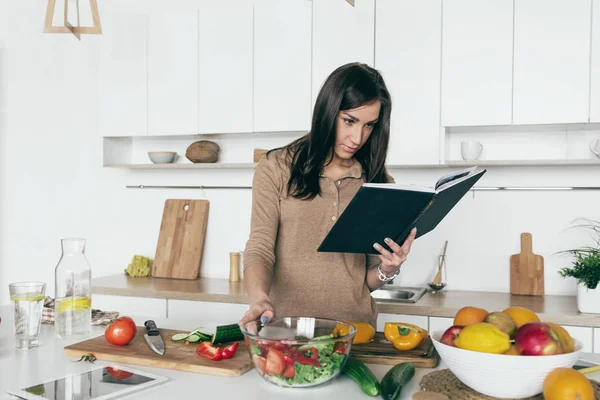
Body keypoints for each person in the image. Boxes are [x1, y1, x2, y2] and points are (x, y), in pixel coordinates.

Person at [238, 62, 417, 329]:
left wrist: (387, 270)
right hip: (285, 330)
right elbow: (260, 247)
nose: (358, 137)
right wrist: (259, 299)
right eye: (349, 121)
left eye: (369, 126)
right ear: (328, 110)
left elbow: (364, 279)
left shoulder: (378, 181)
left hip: (355, 332)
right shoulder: (276, 166)